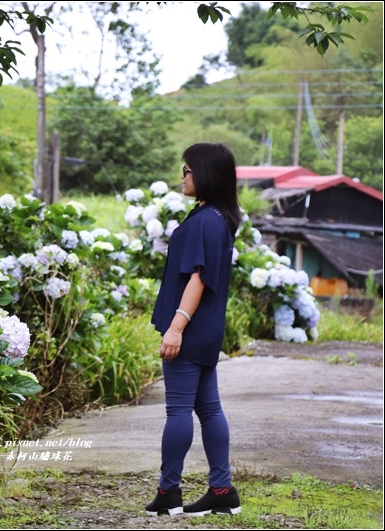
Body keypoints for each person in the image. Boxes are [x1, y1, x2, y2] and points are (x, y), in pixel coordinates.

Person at [144, 142, 243, 517]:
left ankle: (169, 491)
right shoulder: (214, 216)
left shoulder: (206, 221)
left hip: (189, 328)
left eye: (186, 170)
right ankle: (221, 489)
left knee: (179, 411)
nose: (182, 176)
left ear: (205, 173)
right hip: (205, 330)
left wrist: (175, 328)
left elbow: (198, 279)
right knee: (209, 409)